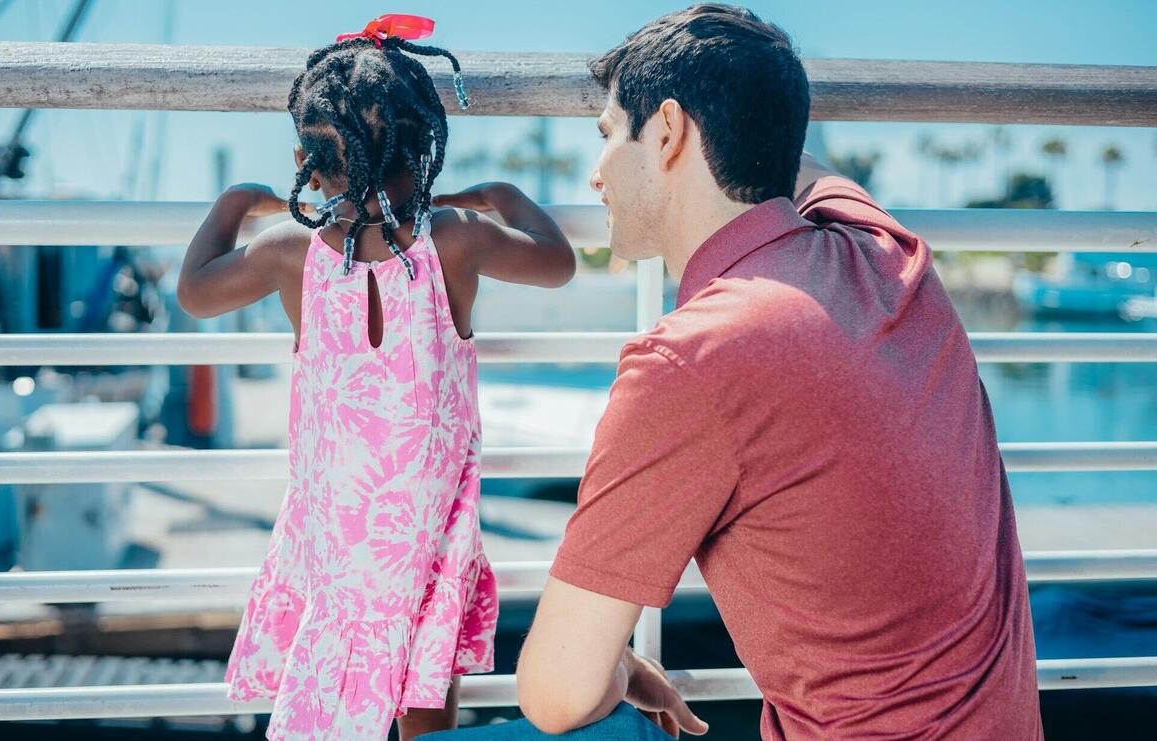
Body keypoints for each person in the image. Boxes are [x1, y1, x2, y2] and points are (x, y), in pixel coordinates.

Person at [425, 4, 1042, 739]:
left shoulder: (691, 361)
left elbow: (555, 693)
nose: (594, 176)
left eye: (607, 135)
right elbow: (795, 165)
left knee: (604, 726)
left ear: (669, 131)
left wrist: (617, 665)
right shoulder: (886, 251)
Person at [176, 16, 576, 741]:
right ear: (423, 146)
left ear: (305, 159)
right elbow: (558, 260)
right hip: (426, 530)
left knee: (326, 685)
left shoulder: (290, 253)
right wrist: (500, 193)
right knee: (426, 689)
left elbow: (194, 292)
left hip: (335, 537)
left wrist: (237, 200)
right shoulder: (455, 238)